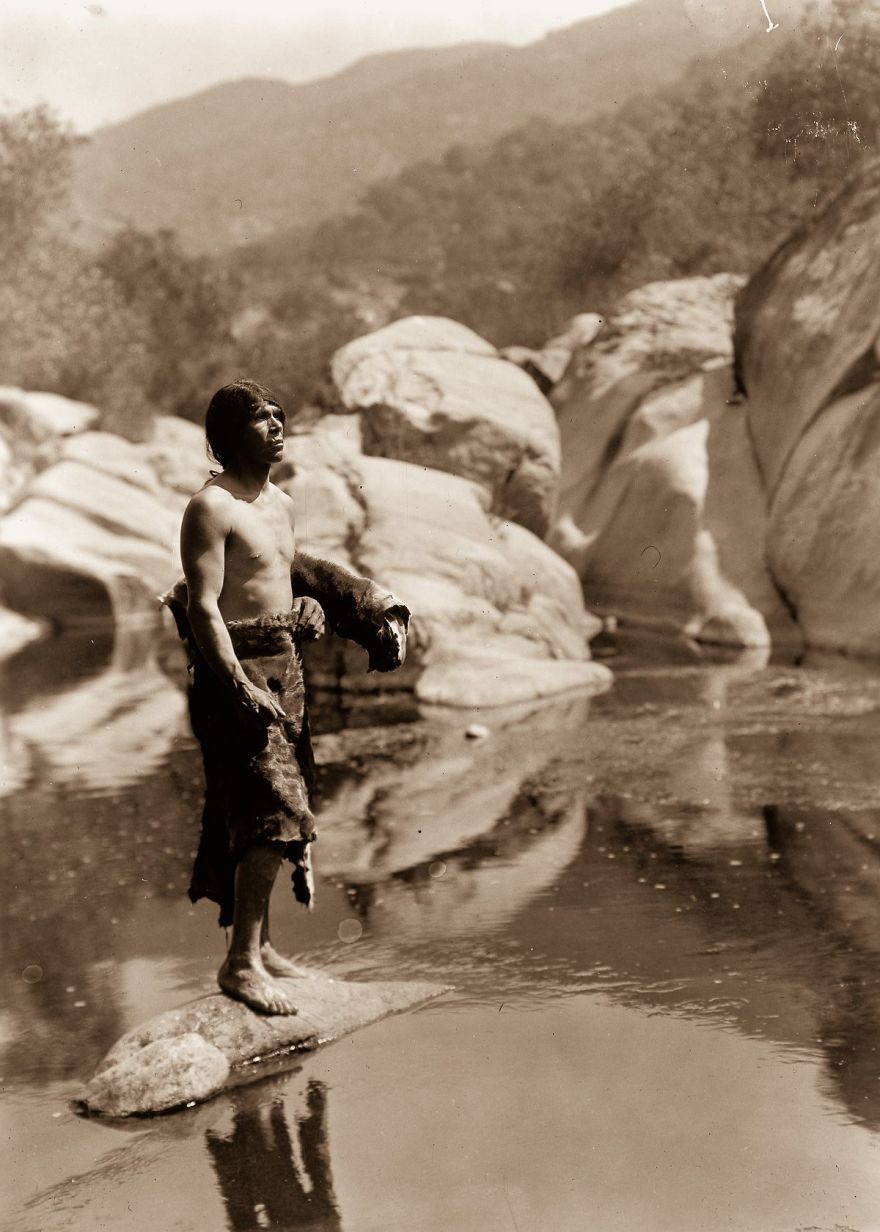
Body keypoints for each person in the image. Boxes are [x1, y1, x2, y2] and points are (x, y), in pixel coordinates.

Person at [165, 380, 408, 1016]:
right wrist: (239, 687)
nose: (276, 426)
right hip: (236, 676)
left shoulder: (282, 503)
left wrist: (305, 608)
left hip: (287, 670)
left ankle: (263, 946)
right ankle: (240, 962)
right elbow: (205, 611)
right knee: (274, 815)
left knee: (271, 813)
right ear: (224, 437)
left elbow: (279, 578)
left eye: (280, 415)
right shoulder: (210, 508)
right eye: (259, 418)